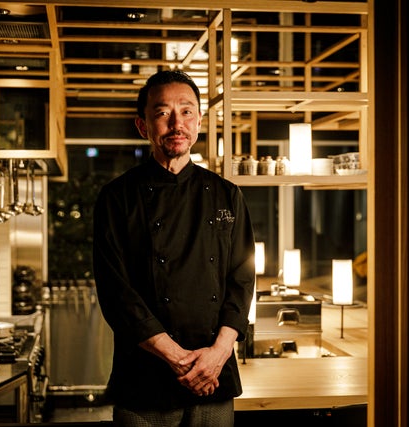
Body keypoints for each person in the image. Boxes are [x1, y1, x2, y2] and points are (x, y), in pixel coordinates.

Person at [92, 69, 256, 426]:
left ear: (199, 122)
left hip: (214, 378)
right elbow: (116, 292)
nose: (176, 123)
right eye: (162, 112)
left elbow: (242, 281)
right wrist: (178, 359)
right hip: (145, 381)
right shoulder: (117, 198)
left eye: (186, 111)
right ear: (143, 126)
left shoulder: (227, 195)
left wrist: (217, 354)